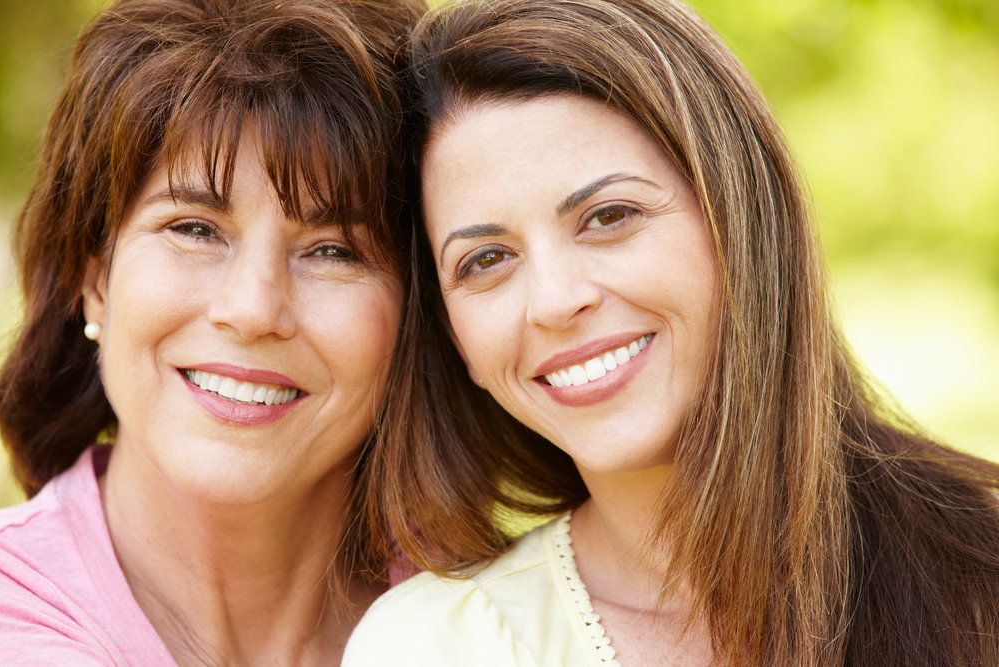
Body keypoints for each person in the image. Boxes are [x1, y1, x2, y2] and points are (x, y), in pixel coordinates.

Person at [344, 0, 999, 664]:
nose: (555, 301)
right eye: (486, 260)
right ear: (455, 340)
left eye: (608, 216)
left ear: (740, 219)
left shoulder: (982, 578)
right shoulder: (436, 644)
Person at [0, 0, 423, 663]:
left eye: (334, 249)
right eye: (194, 229)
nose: (253, 309)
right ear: (95, 279)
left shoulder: (508, 618)